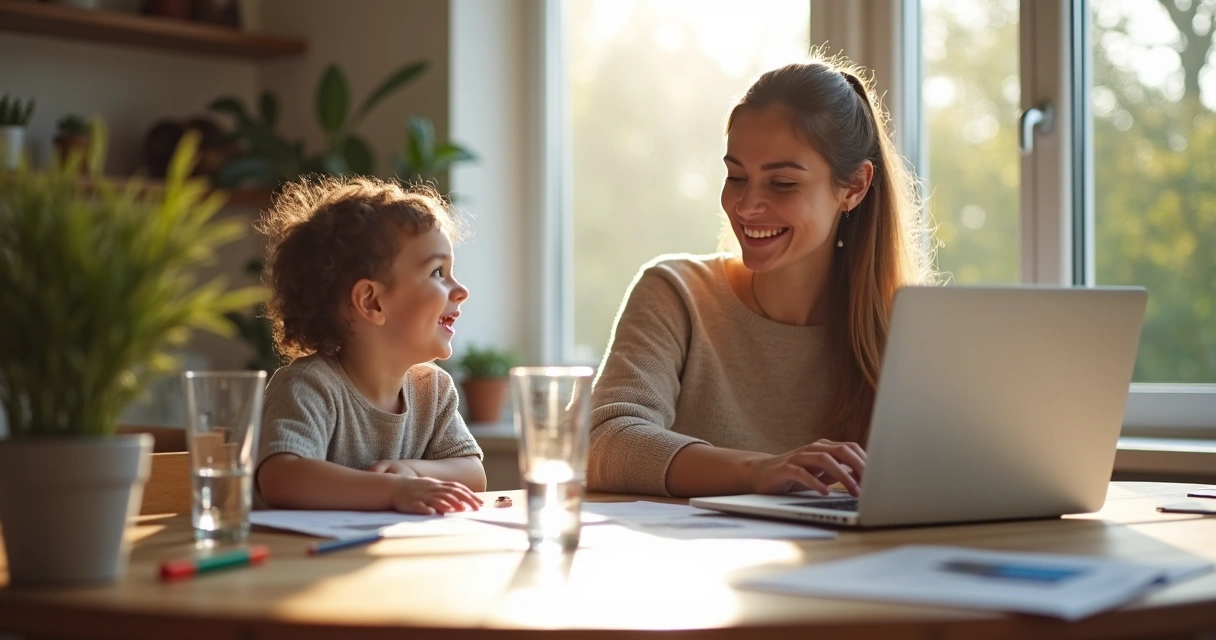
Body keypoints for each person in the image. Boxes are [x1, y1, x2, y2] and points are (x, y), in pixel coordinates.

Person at [587, 56, 934, 498]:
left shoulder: (906, 329)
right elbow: (602, 442)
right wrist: (759, 471)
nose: (746, 206)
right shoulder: (677, 295)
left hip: (856, 562)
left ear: (854, 188)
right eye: (736, 176)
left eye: (782, 183)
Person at [254, 176, 485, 514]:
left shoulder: (432, 388)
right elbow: (282, 477)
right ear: (372, 302)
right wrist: (393, 489)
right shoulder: (309, 386)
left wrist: (413, 472)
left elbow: (473, 473)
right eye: (438, 272)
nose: (461, 289)